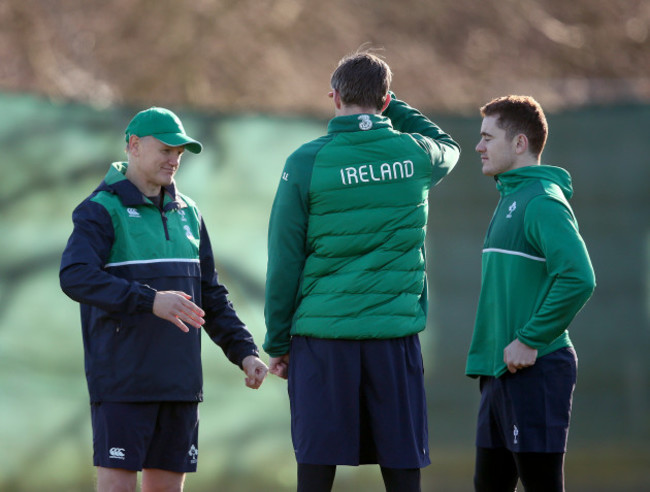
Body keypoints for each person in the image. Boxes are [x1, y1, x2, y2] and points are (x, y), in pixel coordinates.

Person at [263, 51, 461, 492]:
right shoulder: (416, 154)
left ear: (334, 97)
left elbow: (284, 258)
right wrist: (391, 105)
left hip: (322, 340)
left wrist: (278, 340)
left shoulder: (306, 161)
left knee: (316, 467)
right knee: (401, 465)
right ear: (386, 98)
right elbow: (449, 144)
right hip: (393, 336)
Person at [60, 107, 268, 492]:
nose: (174, 160)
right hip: (123, 383)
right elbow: (75, 277)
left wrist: (244, 351)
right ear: (134, 146)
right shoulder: (100, 210)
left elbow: (212, 296)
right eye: (166, 150)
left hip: (180, 384)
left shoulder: (190, 213)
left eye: (180, 153)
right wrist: (148, 300)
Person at [466, 95, 596, 492]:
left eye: (488, 137)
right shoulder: (512, 197)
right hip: (499, 374)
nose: (479, 146)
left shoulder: (541, 201)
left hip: (535, 369)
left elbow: (578, 276)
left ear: (520, 144)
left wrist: (529, 339)